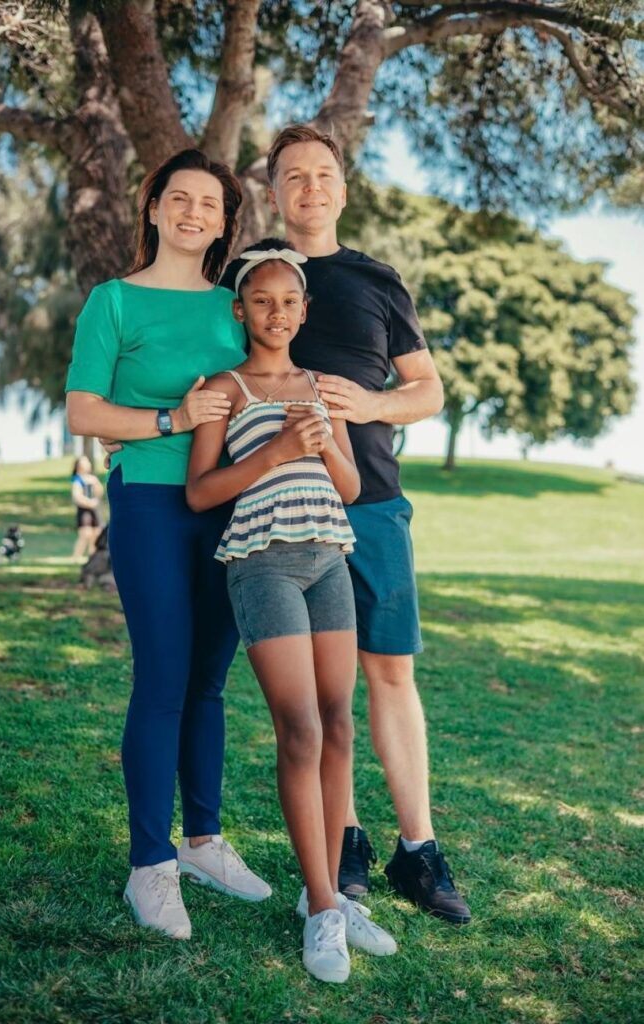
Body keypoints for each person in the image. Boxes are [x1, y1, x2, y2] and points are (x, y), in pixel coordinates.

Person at [221, 124, 471, 925]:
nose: (310, 187)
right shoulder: (248, 278)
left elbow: (427, 389)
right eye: (293, 176)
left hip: (373, 504)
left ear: (342, 188)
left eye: (323, 174)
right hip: (283, 518)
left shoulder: (375, 281)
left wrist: (369, 403)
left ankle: (418, 848)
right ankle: (346, 838)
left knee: (389, 672)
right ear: (273, 193)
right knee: (325, 696)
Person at [65, 147, 271, 942]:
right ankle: (149, 864)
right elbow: (84, 411)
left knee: (209, 682)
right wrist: (169, 420)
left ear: (224, 224)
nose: (192, 213)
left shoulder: (233, 309)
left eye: (209, 204)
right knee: (162, 678)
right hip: (150, 500)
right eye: (178, 198)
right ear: (152, 209)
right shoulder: (112, 301)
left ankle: (203, 844)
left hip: (229, 506)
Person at [187, 244, 396, 983]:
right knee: (300, 729)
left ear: (304, 312)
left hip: (327, 559)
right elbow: (200, 492)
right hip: (261, 563)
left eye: (288, 302)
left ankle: (329, 891)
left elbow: (348, 486)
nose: (276, 313)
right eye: (261, 301)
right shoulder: (225, 388)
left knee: (339, 723)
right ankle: (321, 907)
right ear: (240, 310)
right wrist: (275, 451)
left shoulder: (319, 387)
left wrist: (321, 441)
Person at [71, 455, 104, 560]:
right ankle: (76, 556)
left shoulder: (92, 478)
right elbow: (76, 496)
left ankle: (92, 556)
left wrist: (96, 484)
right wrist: (89, 503)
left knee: (96, 533)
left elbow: (100, 492)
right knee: (85, 534)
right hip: (84, 510)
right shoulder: (77, 480)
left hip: (94, 509)